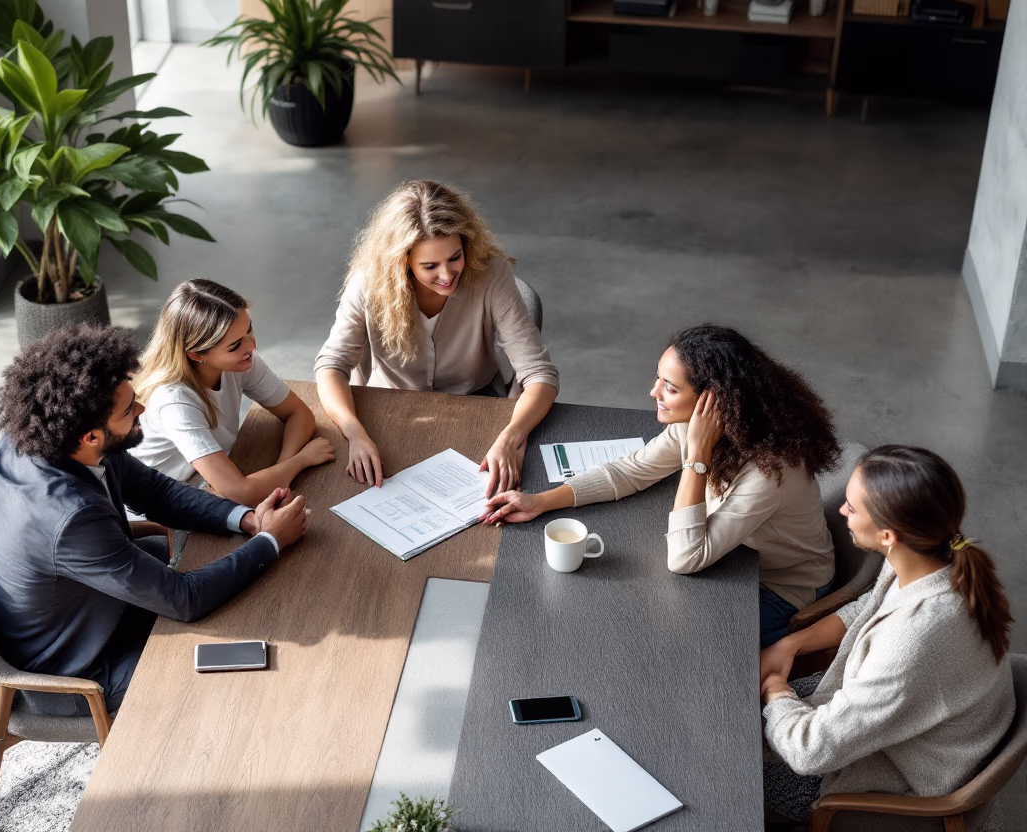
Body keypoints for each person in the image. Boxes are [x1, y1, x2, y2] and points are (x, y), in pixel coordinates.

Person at [0, 324, 309, 717]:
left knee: (258, 601)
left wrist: (247, 520)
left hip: (95, 599)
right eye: (129, 409)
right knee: (241, 678)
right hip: (81, 665)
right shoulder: (71, 518)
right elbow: (184, 599)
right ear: (90, 437)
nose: (141, 409)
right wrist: (270, 541)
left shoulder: (50, 435)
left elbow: (155, 491)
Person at [482, 324, 840, 647]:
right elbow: (633, 470)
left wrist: (696, 458)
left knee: (672, 646)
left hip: (777, 587)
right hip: (735, 558)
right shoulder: (698, 426)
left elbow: (685, 558)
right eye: (658, 379)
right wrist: (541, 501)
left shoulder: (770, 471)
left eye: (669, 388)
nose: (653, 391)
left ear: (712, 402)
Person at [759, 446, 1014, 825]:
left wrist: (775, 689)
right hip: (894, 724)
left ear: (888, 534)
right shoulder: (927, 560)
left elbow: (810, 752)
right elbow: (870, 606)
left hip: (890, 775)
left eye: (852, 507)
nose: (842, 512)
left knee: (728, 772)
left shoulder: (915, 640)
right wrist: (790, 643)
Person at [314, 179, 559, 497]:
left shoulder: (492, 275)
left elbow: (540, 375)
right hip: (387, 405)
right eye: (430, 266)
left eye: (454, 258)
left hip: (475, 400)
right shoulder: (368, 284)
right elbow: (331, 365)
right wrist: (353, 431)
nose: (446, 275)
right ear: (402, 262)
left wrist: (512, 435)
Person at [131, 279, 334, 505]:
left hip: (210, 476)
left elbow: (298, 413)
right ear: (196, 355)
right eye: (235, 345)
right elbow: (242, 492)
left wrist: (281, 471)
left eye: (249, 330)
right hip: (164, 502)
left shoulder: (241, 361)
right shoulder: (174, 402)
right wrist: (301, 460)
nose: (251, 347)